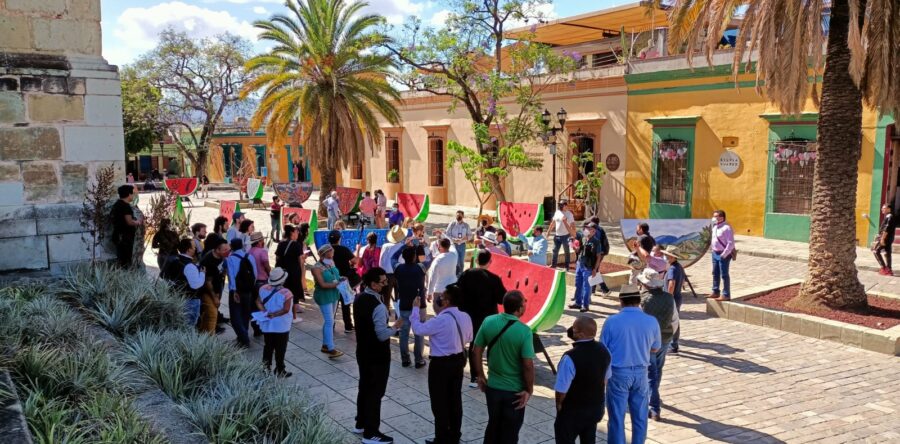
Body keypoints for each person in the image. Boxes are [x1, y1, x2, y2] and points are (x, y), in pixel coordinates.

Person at [409, 284, 473, 444]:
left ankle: (442, 438)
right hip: (458, 361)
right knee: (455, 399)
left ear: (447, 301)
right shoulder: (466, 316)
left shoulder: (440, 320)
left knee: (439, 403)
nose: (439, 298)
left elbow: (418, 329)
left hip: (441, 365)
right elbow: (469, 338)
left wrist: (415, 310)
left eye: (442, 296)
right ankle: (454, 436)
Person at [601, 285, 661, 444]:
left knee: (616, 418)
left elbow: (603, 351)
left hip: (618, 373)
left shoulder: (611, 322)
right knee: (640, 417)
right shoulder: (651, 321)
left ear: (621, 301)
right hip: (641, 373)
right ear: (638, 300)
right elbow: (655, 347)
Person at [473, 291, 536, 444]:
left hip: (493, 388)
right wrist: (529, 389)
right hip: (515, 392)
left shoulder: (488, 321)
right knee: (510, 432)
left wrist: (480, 375)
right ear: (520, 309)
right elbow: (528, 365)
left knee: (493, 426)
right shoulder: (524, 331)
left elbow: (476, 350)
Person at [353, 267, 403, 444]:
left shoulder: (359, 298)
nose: (386, 284)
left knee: (364, 387)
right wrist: (395, 326)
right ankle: (371, 432)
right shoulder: (378, 307)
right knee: (375, 392)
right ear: (373, 284)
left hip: (363, 351)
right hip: (377, 355)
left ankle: (360, 422)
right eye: (382, 282)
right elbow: (381, 335)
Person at [554, 316, 611, 444]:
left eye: (574, 329)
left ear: (580, 334)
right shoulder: (604, 350)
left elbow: (561, 389)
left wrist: (559, 404)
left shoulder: (570, 357)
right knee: (589, 438)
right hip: (595, 408)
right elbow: (605, 380)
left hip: (573, 411)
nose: (572, 331)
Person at [458, 250, 506, 388]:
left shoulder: (466, 274)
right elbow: (501, 299)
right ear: (490, 262)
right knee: (492, 346)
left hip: (470, 317)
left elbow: (458, 292)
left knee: (474, 346)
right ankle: (493, 376)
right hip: (489, 319)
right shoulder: (494, 278)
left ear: (476, 260)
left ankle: (475, 377)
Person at [636, 268, 676, 422]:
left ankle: (653, 407)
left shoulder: (643, 299)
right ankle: (655, 395)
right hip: (665, 337)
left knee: (650, 373)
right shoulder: (669, 298)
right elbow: (675, 320)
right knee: (657, 369)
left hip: (648, 341)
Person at [256, 267, 294, 378]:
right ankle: (280, 369)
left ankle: (265, 368)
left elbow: (258, 301)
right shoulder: (287, 293)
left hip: (267, 324)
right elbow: (286, 309)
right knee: (280, 348)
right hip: (282, 325)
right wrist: (275, 315)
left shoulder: (262, 288)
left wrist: (264, 311)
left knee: (268, 346)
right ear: (282, 280)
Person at [394, 247, 427, 368]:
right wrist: (419, 247)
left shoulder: (398, 268)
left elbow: (393, 258)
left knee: (404, 333)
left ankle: (405, 359)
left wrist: (402, 247)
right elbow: (431, 258)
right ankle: (419, 360)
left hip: (404, 304)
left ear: (403, 256)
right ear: (414, 256)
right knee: (419, 333)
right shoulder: (421, 267)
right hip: (419, 304)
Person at [161, 238, 205, 327]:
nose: (195, 249)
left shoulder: (174, 260)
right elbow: (196, 284)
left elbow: (163, 275)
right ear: (189, 250)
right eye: (193, 247)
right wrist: (202, 273)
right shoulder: (190, 266)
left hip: (175, 297)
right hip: (190, 301)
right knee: (188, 327)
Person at [311, 244, 344, 359]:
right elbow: (322, 284)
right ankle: (331, 348)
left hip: (334, 294)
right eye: (331, 253)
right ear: (325, 253)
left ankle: (325, 345)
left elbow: (335, 276)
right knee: (330, 321)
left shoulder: (331, 263)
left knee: (330, 320)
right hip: (324, 295)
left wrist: (342, 279)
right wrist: (336, 284)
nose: (333, 254)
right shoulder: (316, 268)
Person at [225, 238, 258, 348]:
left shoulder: (230, 259)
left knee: (235, 316)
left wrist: (233, 290)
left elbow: (231, 276)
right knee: (245, 314)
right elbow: (255, 274)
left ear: (232, 246)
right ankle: (243, 336)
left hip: (237, 290)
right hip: (248, 290)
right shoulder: (250, 257)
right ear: (242, 245)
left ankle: (244, 337)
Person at [329, 230, 360, 333]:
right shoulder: (344, 249)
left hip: (331, 279)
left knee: (333, 304)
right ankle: (348, 326)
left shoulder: (327, 250)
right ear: (339, 239)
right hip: (344, 279)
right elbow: (355, 261)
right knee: (345, 303)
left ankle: (331, 324)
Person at [570, 222, 605, 313]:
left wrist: (595, 269)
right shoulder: (583, 238)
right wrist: (574, 247)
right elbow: (579, 250)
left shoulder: (596, 242)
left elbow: (598, 257)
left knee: (586, 286)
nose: (586, 230)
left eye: (588, 229)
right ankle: (577, 303)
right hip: (579, 264)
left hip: (588, 267)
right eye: (586, 228)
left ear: (593, 231)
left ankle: (585, 305)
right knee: (578, 284)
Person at [198, 237, 230, 334]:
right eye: (225, 250)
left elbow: (223, 268)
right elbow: (208, 282)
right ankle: (210, 339)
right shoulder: (208, 261)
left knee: (207, 314)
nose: (227, 252)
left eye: (228, 249)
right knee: (212, 315)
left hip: (217, 288)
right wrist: (215, 297)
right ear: (217, 250)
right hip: (207, 291)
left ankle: (202, 333)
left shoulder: (221, 257)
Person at [275, 225, 306, 321]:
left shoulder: (281, 243)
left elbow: (277, 258)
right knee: (292, 294)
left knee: (283, 292)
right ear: (292, 233)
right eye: (297, 232)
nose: (298, 234)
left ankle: (283, 313)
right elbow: (300, 260)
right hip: (293, 272)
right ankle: (293, 317)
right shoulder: (296, 245)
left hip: (282, 273)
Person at [378, 226, 408, 317]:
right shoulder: (403, 247)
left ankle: (385, 318)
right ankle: (398, 317)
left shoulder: (385, 246)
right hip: (399, 274)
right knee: (399, 298)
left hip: (387, 275)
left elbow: (381, 261)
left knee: (386, 298)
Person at [111, 185, 142, 268]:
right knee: (126, 260)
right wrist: (138, 222)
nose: (133, 196)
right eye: (133, 194)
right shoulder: (125, 206)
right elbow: (129, 222)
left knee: (121, 258)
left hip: (118, 235)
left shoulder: (117, 204)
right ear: (129, 194)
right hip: (125, 237)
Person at [662, 248, 686, 353]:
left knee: (670, 322)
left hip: (672, 298)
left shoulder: (672, 269)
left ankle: (672, 345)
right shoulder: (679, 267)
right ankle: (674, 344)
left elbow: (671, 284)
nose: (666, 257)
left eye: (668, 256)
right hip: (678, 297)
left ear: (673, 257)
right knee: (675, 321)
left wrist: (668, 298)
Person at [709, 209, 734, 301]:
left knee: (724, 274)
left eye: (716, 216)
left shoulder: (726, 228)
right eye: (714, 216)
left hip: (723, 254)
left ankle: (726, 294)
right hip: (715, 253)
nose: (714, 218)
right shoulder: (715, 227)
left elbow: (730, 243)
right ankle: (715, 291)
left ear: (721, 218)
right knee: (715, 273)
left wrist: (724, 254)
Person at [549, 201, 575, 270]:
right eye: (565, 205)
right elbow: (553, 223)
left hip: (566, 236)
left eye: (566, 205)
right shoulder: (557, 212)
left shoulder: (569, 214)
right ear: (561, 206)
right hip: (557, 236)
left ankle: (567, 266)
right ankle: (553, 265)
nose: (566, 206)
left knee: (566, 251)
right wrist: (548, 232)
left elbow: (572, 224)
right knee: (555, 250)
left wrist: (573, 233)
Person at [446, 210, 471, 275]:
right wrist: (454, 239)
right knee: (456, 262)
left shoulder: (466, 225)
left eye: (460, 215)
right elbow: (447, 235)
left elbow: (470, 235)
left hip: (462, 245)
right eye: (457, 215)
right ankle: (455, 275)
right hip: (453, 245)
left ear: (463, 216)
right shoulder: (452, 224)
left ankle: (461, 275)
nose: (458, 216)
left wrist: (466, 238)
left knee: (461, 262)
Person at [873, 203, 896, 275]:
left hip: (886, 238)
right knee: (887, 253)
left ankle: (884, 268)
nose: (882, 209)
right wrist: (878, 235)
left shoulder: (889, 216)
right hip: (888, 238)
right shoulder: (889, 216)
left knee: (875, 251)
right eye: (882, 208)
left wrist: (882, 239)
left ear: (889, 209)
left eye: (884, 208)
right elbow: (885, 228)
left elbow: (886, 229)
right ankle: (889, 270)